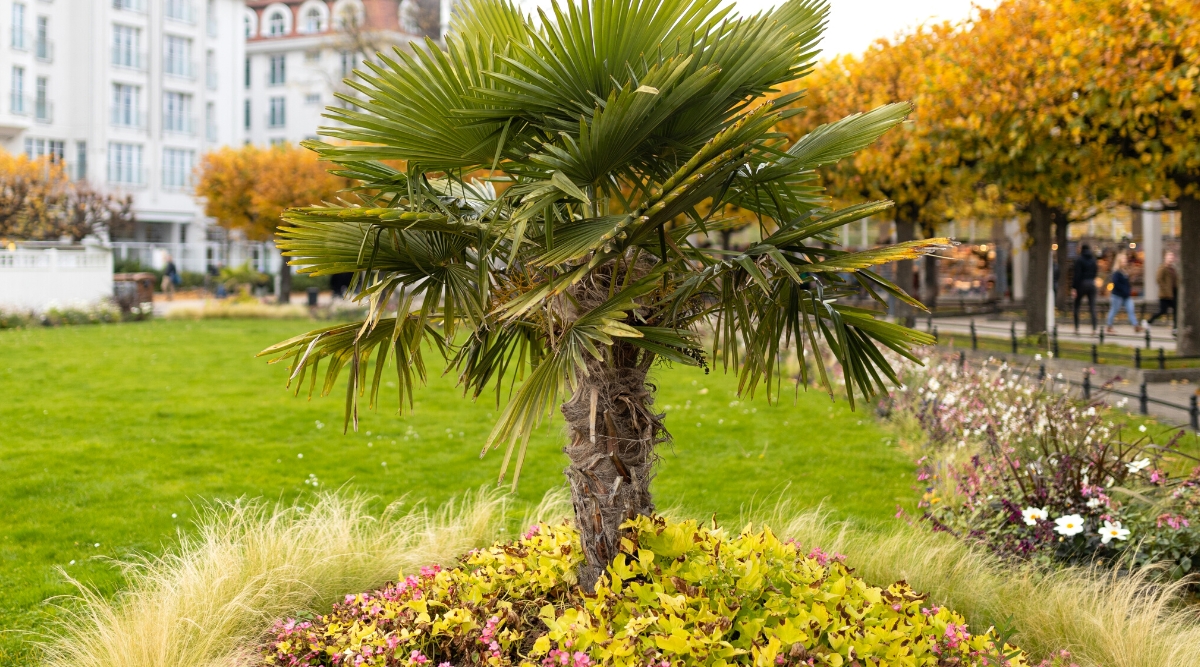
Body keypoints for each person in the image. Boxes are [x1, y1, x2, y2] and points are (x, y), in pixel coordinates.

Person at [1106, 252, 1141, 333]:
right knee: (1114, 310)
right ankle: (1109, 326)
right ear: (1119, 261)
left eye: (1125, 259)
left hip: (1126, 296)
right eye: (1123, 259)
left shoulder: (1124, 271)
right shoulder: (1116, 272)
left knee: (1131, 309)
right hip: (1117, 295)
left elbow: (1127, 283)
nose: (1125, 261)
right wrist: (1124, 289)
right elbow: (1116, 283)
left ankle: (1135, 325)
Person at [1146, 251, 1178, 327]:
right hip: (1165, 294)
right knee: (1162, 310)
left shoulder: (1172, 269)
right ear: (1165, 257)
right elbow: (1158, 279)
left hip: (1173, 293)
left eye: (1172, 257)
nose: (1171, 258)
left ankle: (1175, 327)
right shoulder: (1162, 267)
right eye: (1169, 256)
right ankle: (1149, 321)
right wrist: (1165, 288)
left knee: (1176, 310)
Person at [1071, 244, 1098, 333]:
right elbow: (1095, 272)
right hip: (1091, 283)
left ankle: (1077, 327)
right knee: (1092, 306)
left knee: (1077, 306)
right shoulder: (1093, 259)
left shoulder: (1079, 260)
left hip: (1081, 284)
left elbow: (1077, 275)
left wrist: (1074, 287)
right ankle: (1094, 328)